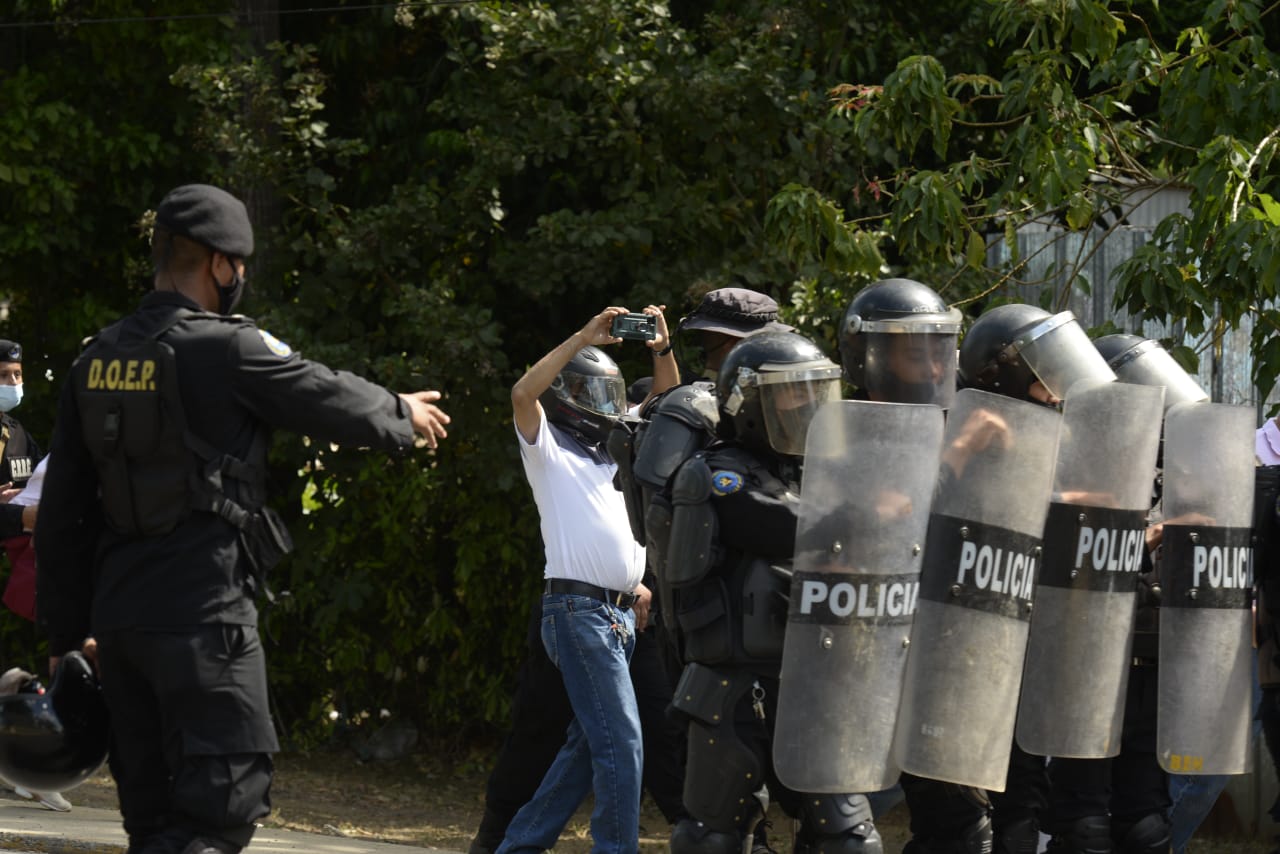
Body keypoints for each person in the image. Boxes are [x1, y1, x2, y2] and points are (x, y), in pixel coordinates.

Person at [34, 183, 451, 854]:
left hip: (118, 627)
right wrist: (402, 414)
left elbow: (62, 515)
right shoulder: (227, 348)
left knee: (150, 821)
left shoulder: (96, 358)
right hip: (204, 620)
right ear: (219, 263)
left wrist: (66, 633)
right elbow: (323, 392)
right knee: (218, 814)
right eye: (240, 265)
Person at [468, 306, 682, 854]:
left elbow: (667, 402)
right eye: (598, 396)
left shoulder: (616, 452)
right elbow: (522, 393)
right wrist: (583, 337)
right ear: (569, 398)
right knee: (624, 746)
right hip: (579, 615)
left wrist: (660, 349)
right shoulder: (549, 452)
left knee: (589, 749)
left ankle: (516, 848)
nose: (612, 409)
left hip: (618, 616)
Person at [665, 329, 881, 854]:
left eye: (814, 391)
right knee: (712, 841)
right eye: (792, 391)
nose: (807, 405)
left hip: (815, 686)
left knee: (850, 841)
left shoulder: (815, 475)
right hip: (733, 693)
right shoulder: (718, 475)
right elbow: (785, 525)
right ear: (749, 402)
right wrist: (865, 519)